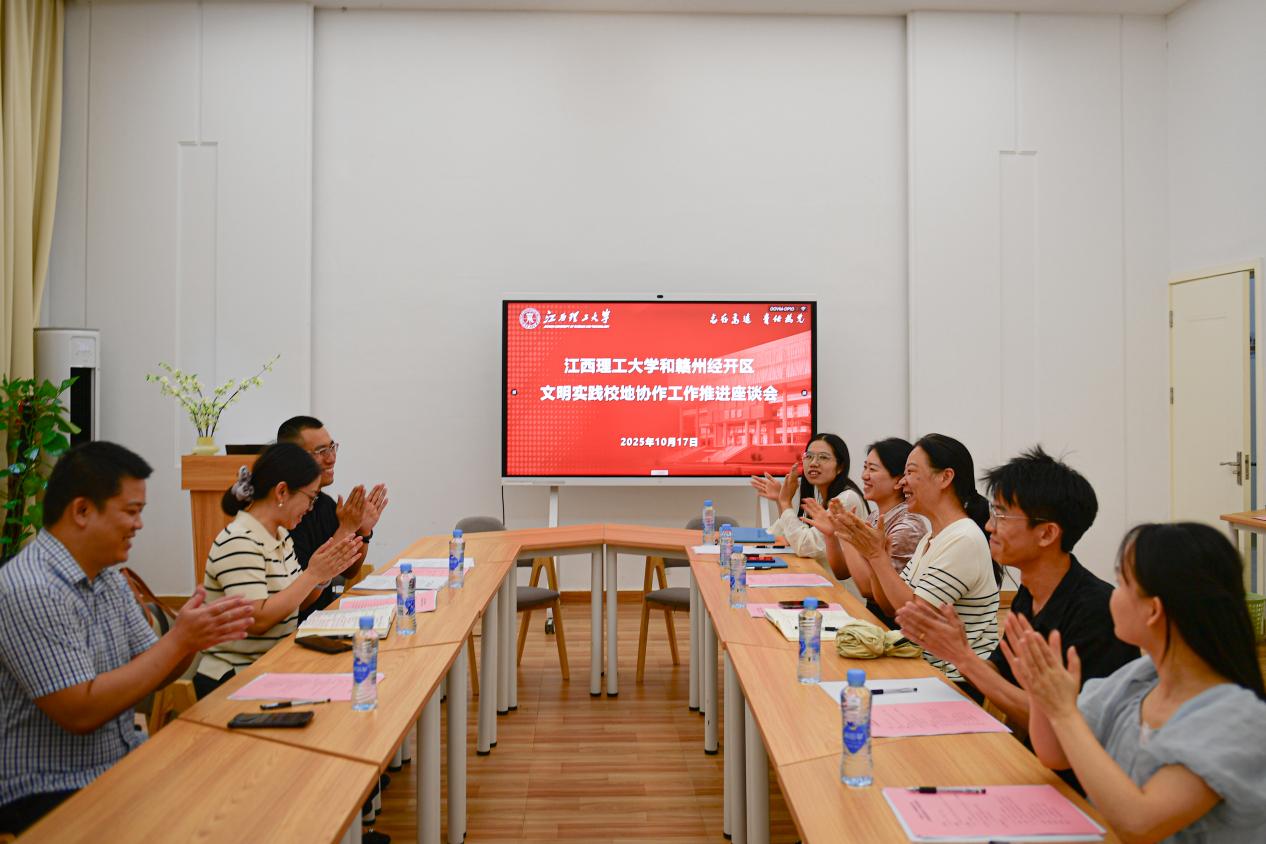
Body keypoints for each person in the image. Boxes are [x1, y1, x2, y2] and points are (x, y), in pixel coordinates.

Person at [0, 442, 254, 835]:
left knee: (237, 796)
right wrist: (179, 640)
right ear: (82, 511)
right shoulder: (31, 588)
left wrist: (191, 639)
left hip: (117, 764)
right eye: (131, 511)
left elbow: (155, 670)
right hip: (48, 789)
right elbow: (80, 712)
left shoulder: (107, 577)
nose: (139, 525)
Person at [1007, 522, 1266, 843]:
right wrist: (1040, 692)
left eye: (1122, 583)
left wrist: (1063, 711)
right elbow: (1055, 754)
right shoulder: (1139, 678)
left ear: (1153, 610)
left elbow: (1139, 823)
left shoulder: (1237, 719)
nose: (1112, 594)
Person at [893, 446, 1138, 735]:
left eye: (1001, 515)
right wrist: (957, 653)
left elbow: (1066, 725)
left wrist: (962, 658)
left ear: (1047, 533)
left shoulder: (1097, 612)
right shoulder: (1031, 593)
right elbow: (1001, 672)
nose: (989, 525)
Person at [829, 433, 999, 694]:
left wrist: (876, 557)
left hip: (955, 683)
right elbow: (890, 607)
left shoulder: (963, 538)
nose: (903, 482)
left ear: (945, 477)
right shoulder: (932, 537)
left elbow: (915, 616)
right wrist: (876, 557)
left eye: (910, 472)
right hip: (923, 668)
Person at [194, 442, 361, 699]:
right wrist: (313, 574)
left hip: (272, 665)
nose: (310, 507)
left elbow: (297, 602)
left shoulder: (280, 535)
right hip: (235, 677)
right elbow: (257, 620)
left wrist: (322, 577)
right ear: (282, 492)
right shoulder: (239, 540)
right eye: (310, 498)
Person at [802, 437, 929, 618]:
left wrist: (846, 534)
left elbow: (868, 589)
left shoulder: (907, 527)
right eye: (865, 467)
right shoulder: (875, 516)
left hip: (890, 622)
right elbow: (842, 571)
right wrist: (832, 535)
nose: (864, 476)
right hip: (873, 614)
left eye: (872, 469)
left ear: (898, 481)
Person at [277, 416, 388, 615]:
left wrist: (362, 531)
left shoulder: (325, 503)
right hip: (298, 624)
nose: (331, 458)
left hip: (327, 617)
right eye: (321, 452)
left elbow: (348, 571)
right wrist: (346, 529)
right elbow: (297, 603)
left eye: (332, 448)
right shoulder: (285, 515)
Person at [749, 433, 867, 563]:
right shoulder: (821, 498)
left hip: (833, 576)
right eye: (809, 456)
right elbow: (781, 536)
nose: (813, 463)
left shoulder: (845, 500)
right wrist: (780, 500)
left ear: (840, 467)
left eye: (823, 457)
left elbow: (805, 547)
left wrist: (785, 502)